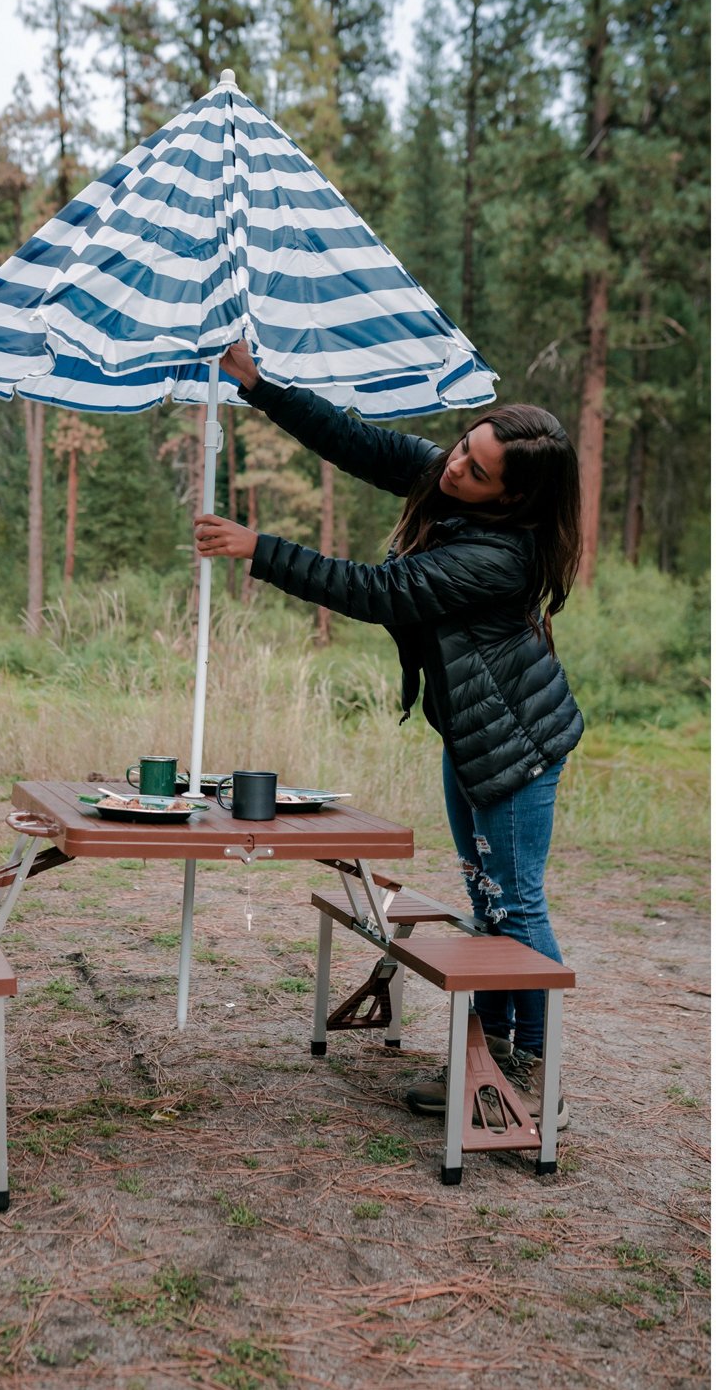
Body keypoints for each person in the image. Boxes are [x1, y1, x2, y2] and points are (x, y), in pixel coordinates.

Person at [195, 341, 583, 1127]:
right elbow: (358, 442)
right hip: (473, 733)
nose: (455, 469)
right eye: (464, 448)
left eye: (476, 471)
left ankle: (536, 1081)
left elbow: (378, 592)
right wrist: (260, 387)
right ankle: (488, 1062)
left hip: (514, 746)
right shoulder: (458, 489)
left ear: (510, 499)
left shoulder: (497, 557)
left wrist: (259, 549)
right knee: (486, 898)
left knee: (516, 904)